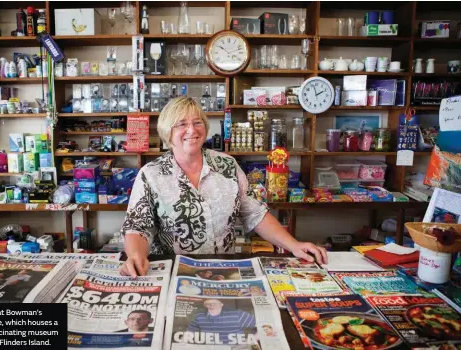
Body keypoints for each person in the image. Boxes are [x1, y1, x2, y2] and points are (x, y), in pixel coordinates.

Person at [119, 97, 328, 277]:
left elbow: (254, 213)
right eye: (181, 124)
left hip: (222, 270)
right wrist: (136, 256)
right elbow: (138, 226)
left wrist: (294, 245)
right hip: (173, 272)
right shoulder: (151, 174)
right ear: (167, 131)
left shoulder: (227, 165)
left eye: (197, 122)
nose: (191, 130)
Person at [187, 299, 255, 344]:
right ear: (205, 305)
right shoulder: (199, 316)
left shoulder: (237, 314)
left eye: (215, 303)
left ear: (221, 304)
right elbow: (190, 332)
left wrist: (249, 342)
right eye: (208, 303)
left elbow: (262, 326)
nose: (212, 305)